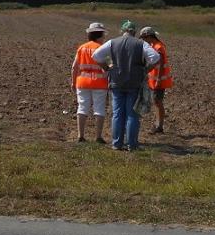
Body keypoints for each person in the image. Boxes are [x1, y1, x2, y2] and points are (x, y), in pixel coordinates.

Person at [92, 19, 160, 151]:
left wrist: (106, 67)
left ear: (122, 31)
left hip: (116, 82)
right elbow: (156, 58)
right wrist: (147, 69)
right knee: (132, 114)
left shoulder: (112, 42)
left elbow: (96, 55)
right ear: (134, 32)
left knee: (117, 113)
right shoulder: (141, 44)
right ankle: (132, 144)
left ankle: (116, 143)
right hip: (134, 82)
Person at [71, 22, 109, 143]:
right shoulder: (102, 49)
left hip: (82, 82)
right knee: (99, 109)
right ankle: (98, 137)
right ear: (100, 35)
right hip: (99, 83)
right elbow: (108, 67)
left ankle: (80, 136)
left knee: (82, 108)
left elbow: (74, 67)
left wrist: (73, 82)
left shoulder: (82, 48)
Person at [139, 27, 172, 134]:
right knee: (156, 102)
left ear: (149, 36)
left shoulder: (159, 47)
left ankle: (159, 126)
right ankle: (158, 124)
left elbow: (161, 65)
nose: (144, 41)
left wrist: (158, 79)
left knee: (157, 102)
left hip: (159, 80)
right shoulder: (154, 46)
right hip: (154, 80)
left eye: (144, 38)